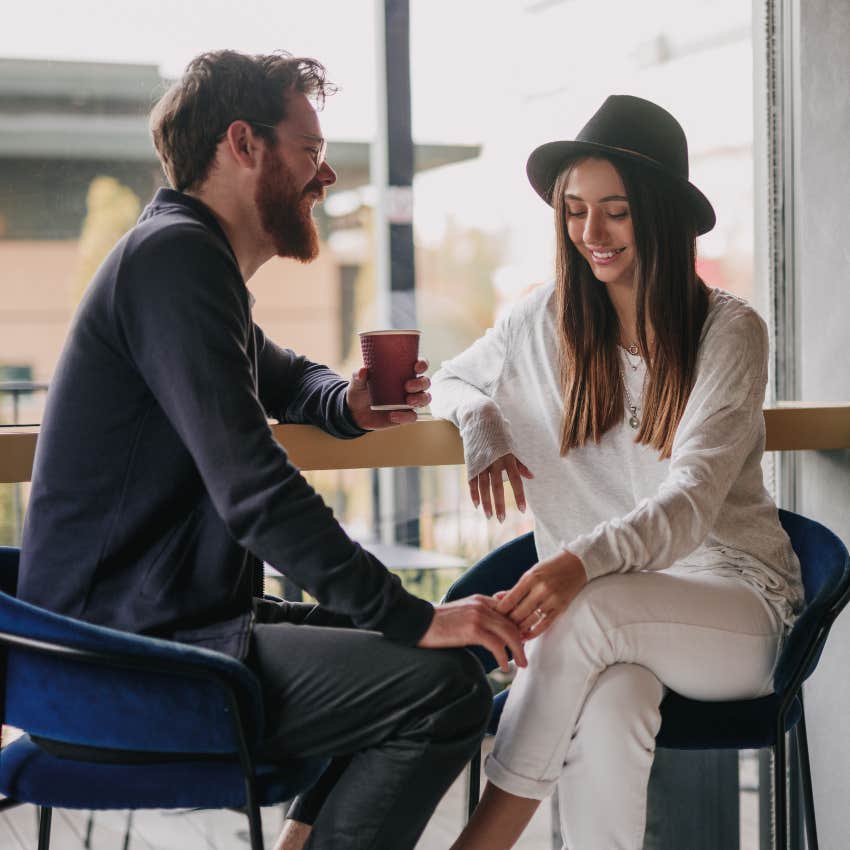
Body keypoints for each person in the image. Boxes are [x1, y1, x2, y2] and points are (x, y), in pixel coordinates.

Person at [16, 50, 528, 850]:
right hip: (120, 661)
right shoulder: (175, 259)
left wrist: (350, 404)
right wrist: (413, 615)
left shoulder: (187, 260)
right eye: (311, 152)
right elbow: (254, 488)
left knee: (452, 670)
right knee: (438, 690)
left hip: (154, 629)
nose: (324, 179)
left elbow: (288, 377)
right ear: (243, 145)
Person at [431, 95, 805, 849]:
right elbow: (452, 379)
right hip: (618, 625)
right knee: (612, 707)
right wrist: (480, 422)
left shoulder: (728, 332)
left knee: (587, 613)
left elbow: (689, 503)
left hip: (738, 604)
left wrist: (578, 564)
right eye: (574, 210)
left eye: (615, 212)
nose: (590, 234)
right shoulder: (541, 321)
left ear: (660, 213)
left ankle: (480, 843)